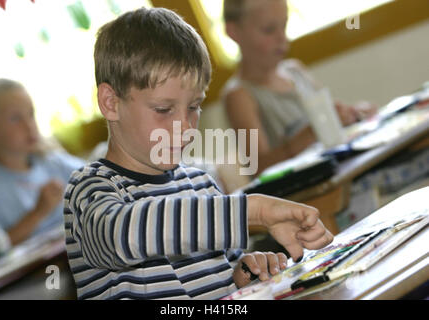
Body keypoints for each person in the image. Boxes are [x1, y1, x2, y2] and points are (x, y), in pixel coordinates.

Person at [63, 7, 333, 300]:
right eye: (163, 110)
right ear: (111, 102)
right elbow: (122, 236)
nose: (184, 126)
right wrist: (253, 210)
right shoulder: (90, 189)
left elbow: (225, 273)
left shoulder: (201, 184)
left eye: (193, 107)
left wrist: (245, 271)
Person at [222, 0, 377, 174]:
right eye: (269, 29)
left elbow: (333, 117)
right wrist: (313, 132)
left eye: (284, 25)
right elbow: (258, 167)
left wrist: (352, 114)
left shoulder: (295, 70)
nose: (282, 38)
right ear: (234, 32)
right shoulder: (239, 95)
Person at [0, 78, 84, 246]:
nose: (29, 125)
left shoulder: (51, 161)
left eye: (31, 114)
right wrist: (39, 212)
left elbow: (99, 178)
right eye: (15, 119)